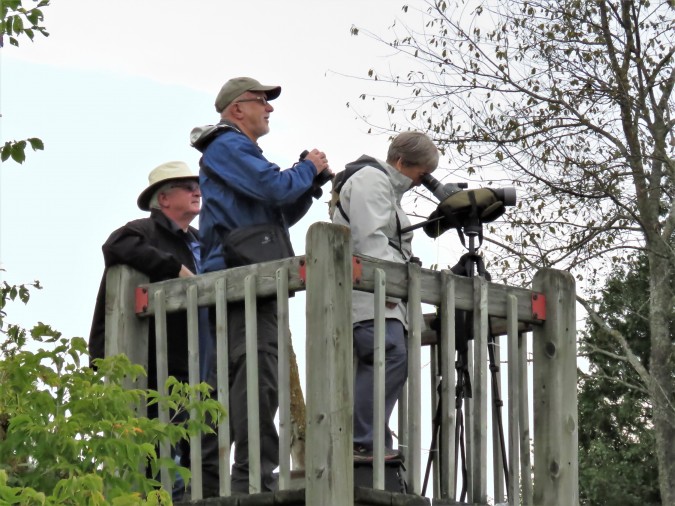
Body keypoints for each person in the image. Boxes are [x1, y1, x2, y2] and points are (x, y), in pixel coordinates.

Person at [190, 76, 330, 495]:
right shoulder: (229, 146)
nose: (269, 109)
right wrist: (307, 167)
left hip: (247, 276)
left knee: (252, 379)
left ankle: (243, 476)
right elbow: (273, 186)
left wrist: (311, 181)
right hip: (239, 279)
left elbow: (275, 215)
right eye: (261, 101)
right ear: (237, 108)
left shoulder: (233, 150)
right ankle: (250, 478)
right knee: (254, 379)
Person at [88, 160, 211, 499]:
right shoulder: (144, 230)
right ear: (164, 198)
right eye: (187, 187)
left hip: (193, 357)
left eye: (196, 185)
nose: (196, 191)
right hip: (152, 358)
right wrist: (175, 268)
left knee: (191, 432)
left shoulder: (200, 240)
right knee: (155, 437)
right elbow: (116, 246)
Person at [330, 131, 439, 461]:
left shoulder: (383, 187)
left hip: (381, 297)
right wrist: (391, 287)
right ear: (402, 162)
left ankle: (369, 435)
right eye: (420, 173)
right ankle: (362, 438)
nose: (422, 182)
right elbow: (370, 241)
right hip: (372, 296)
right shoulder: (372, 181)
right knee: (388, 353)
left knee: (389, 356)